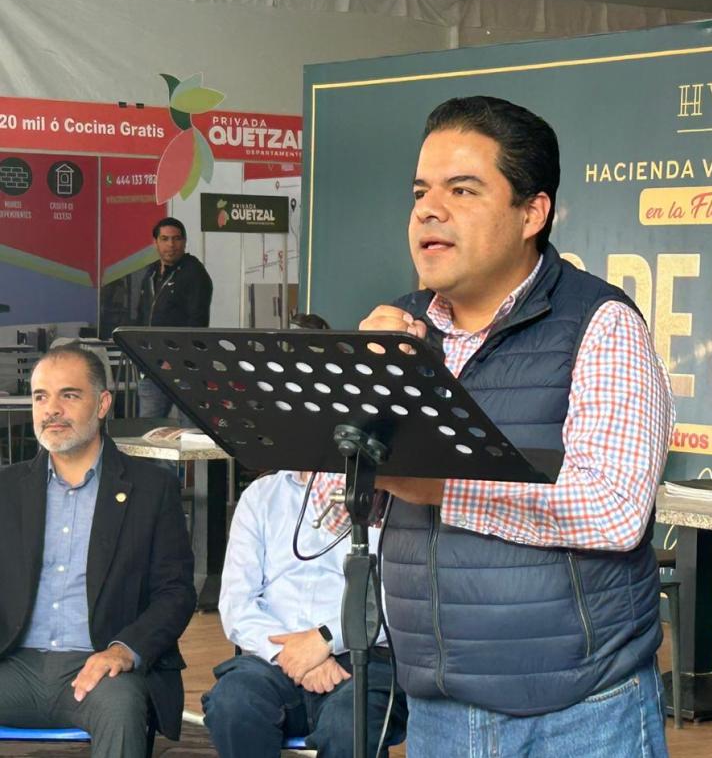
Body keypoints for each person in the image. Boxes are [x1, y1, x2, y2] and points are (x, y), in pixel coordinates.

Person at [311, 96, 675, 756]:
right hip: (439, 705)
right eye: (420, 192)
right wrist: (365, 390)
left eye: (462, 190)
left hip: (581, 708)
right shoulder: (399, 327)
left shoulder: (600, 325)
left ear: (532, 213)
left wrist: (442, 486)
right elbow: (330, 515)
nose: (428, 210)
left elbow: (614, 510)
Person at [0, 345, 196, 757]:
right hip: (13, 664)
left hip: (102, 665)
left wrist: (124, 651)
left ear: (103, 404)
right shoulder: (6, 490)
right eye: (40, 397)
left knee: (120, 708)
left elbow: (175, 593)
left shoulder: (151, 489)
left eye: (69, 395)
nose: (52, 409)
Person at [202, 468, 407, 758]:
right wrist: (293, 655)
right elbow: (237, 603)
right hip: (272, 658)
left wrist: (325, 640)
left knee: (347, 727)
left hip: (363, 659)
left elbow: (399, 601)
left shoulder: (385, 497)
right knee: (233, 702)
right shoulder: (260, 495)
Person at [135, 216, 213, 420]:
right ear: (155, 242)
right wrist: (139, 355)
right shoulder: (151, 273)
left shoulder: (194, 273)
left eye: (176, 239)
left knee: (192, 431)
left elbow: (197, 323)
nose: (171, 244)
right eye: (165, 239)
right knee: (148, 431)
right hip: (152, 367)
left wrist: (175, 358)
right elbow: (141, 317)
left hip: (184, 367)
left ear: (184, 242)